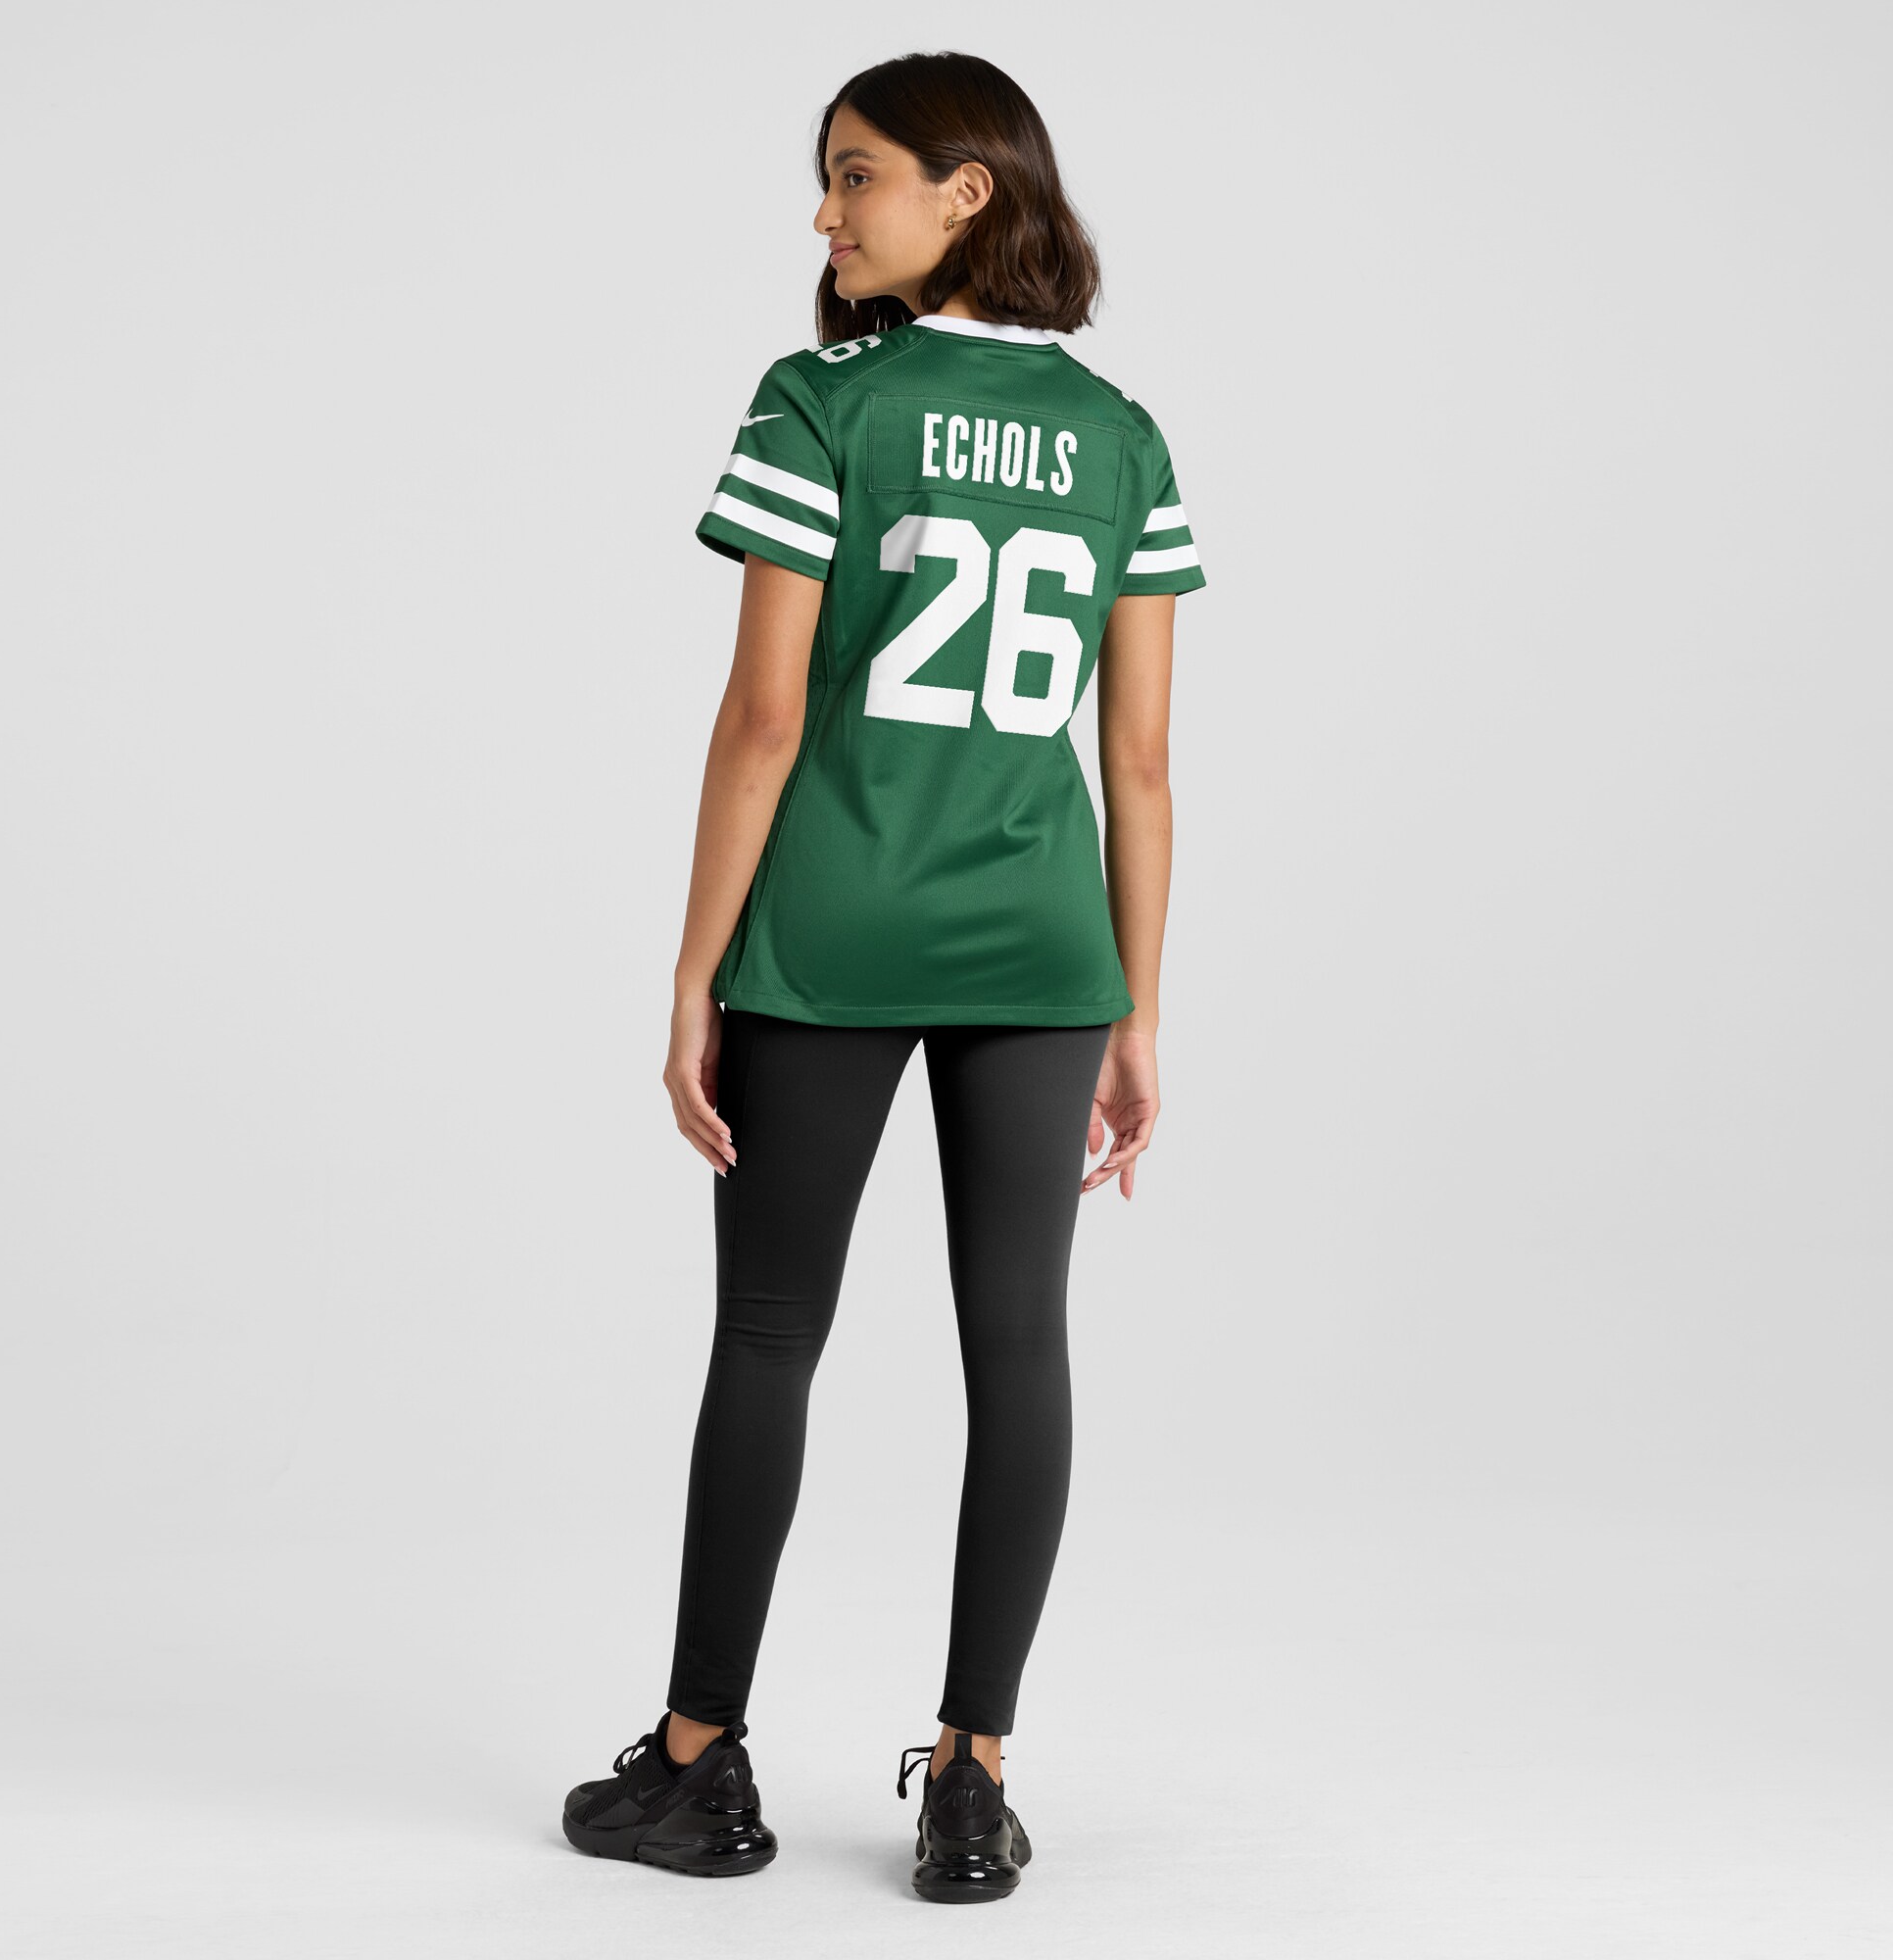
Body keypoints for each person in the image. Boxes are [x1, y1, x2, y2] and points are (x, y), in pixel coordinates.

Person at [560, 49, 1205, 1904]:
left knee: (769, 1336)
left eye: (857, 174)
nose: (827, 212)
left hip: (828, 937)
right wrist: (1137, 1005)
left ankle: (699, 1767)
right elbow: (1139, 762)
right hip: (1045, 948)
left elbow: (764, 720)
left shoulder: (820, 404)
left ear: (965, 191)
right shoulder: (1122, 438)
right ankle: (973, 1782)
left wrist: (694, 971)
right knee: (1023, 1349)